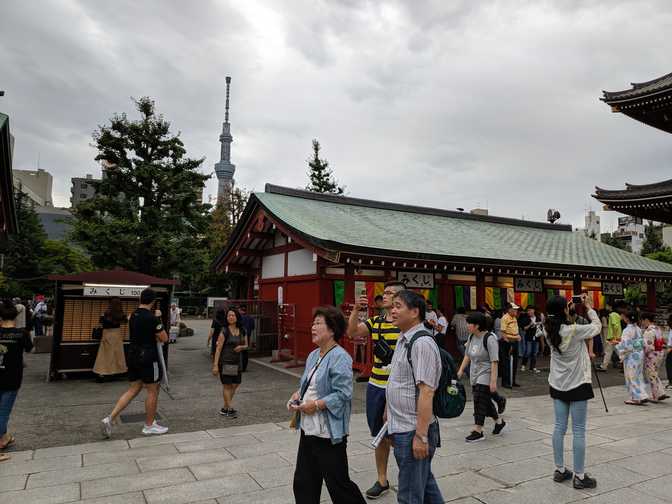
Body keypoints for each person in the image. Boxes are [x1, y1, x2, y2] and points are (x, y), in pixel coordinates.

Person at [289, 306, 365, 504]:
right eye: (313, 323)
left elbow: (343, 394)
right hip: (309, 428)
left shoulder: (340, 357)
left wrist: (316, 404)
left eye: (318, 323)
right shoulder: (314, 355)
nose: (313, 327)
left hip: (328, 433)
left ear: (332, 330)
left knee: (338, 484)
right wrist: (297, 396)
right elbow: (306, 385)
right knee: (304, 482)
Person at [347, 280, 405, 499]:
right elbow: (352, 332)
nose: (386, 296)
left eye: (391, 293)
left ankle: (406, 476)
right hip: (376, 384)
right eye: (386, 292)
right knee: (379, 434)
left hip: (398, 388)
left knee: (398, 434)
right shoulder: (376, 322)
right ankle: (382, 479)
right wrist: (356, 310)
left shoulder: (406, 325)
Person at [387, 290, 444, 504]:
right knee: (425, 486)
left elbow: (427, 391)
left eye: (398, 306)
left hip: (413, 430)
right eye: (392, 305)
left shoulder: (421, 343)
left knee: (409, 495)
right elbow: (399, 382)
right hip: (401, 425)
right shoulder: (404, 339)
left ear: (414, 312)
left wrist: (421, 437)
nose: (392, 310)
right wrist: (388, 413)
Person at [545, 294, 600, 490]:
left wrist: (565, 310)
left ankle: (559, 470)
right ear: (564, 310)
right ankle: (579, 475)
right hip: (577, 384)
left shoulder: (547, 328)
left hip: (557, 383)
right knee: (578, 430)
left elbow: (557, 320)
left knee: (559, 426)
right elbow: (597, 327)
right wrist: (589, 307)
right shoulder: (574, 330)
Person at [100, 288, 169, 437]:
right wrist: (159, 319)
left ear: (140, 299)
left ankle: (110, 418)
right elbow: (164, 338)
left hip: (133, 355)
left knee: (133, 389)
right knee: (152, 390)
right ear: (153, 301)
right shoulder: (152, 318)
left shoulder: (133, 315)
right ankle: (149, 425)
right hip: (148, 357)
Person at [457, 311, 506, 442]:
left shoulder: (490, 339)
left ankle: (478, 430)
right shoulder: (472, 337)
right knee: (484, 400)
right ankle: (499, 421)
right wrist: (460, 371)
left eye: (469, 323)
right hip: (474, 372)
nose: (467, 325)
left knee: (478, 399)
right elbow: (467, 355)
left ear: (477, 325)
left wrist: (493, 382)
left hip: (486, 372)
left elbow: (494, 361)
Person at [0, 299, 33, 462]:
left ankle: (4, 437)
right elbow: (29, 349)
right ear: (16, 315)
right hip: (12, 377)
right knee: (3, 412)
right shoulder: (22, 334)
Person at [212, 307, 248, 418]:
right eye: (229, 316)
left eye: (233, 315)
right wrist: (215, 365)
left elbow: (247, 345)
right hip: (226, 362)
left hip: (237, 363)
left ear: (237, 317)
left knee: (236, 384)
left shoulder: (242, 330)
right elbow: (218, 349)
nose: (230, 317)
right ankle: (230, 409)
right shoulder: (224, 331)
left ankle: (225, 407)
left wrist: (241, 347)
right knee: (227, 385)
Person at [616, 307, 649, 406]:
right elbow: (641, 342)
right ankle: (642, 394)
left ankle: (637, 397)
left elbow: (626, 345)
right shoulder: (638, 329)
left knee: (631, 376)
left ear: (627, 319)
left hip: (631, 355)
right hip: (639, 354)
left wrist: (618, 346)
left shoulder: (627, 330)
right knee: (638, 375)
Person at [93, 298, 128, 380]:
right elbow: (125, 321)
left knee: (104, 355)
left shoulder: (106, 314)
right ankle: (116, 371)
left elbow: (101, 323)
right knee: (117, 354)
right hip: (117, 334)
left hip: (107, 334)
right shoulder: (121, 314)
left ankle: (101, 373)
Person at [641, 312, 668, 402]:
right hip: (660, 353)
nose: (642, 323)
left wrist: (642, 353)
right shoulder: (657, 329)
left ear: (646, 320)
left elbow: (648, 346)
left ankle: (655, 395)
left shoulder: (648, 331)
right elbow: (663, 340)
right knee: (654, 373)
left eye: (643, 320)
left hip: (652, 355)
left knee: (651, 375)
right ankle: (660, 393)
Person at [500, 303, 521, 388]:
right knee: (506, 363)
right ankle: (505, 382)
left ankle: (512, 381)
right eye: (514, 309)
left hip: (515, 342)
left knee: (515, 362)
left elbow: (515, 330)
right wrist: (508, 342)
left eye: (516, 309)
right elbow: (503, 333)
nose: (516, 311)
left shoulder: (514, 318)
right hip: (508, 343)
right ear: (509, 309)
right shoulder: (505, 318)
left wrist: (518, 336)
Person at [596, 303, 623, 372]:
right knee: (617, 351)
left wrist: (614, 337)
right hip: (616, 336)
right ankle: (604, 365)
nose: (606, 307)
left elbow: (615, 326)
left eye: (607, 305)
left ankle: (604, 366)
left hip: (612, 337)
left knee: (609, 351)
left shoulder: (612, 315)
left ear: (610, 307)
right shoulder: (617, 315)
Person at [520, 306, 541, 374]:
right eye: (528, 311)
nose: (529, 312)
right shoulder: (526, 319)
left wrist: (539, 324)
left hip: (536, 337)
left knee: (534, 353)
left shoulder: (538, 318)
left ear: (534, 310)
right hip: (529, 337)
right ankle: (523, 365)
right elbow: (524, 328)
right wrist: (530, 325)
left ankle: (532, 367)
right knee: (528, 352)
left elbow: (541, 326)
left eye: (530, 310)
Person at [238, 305, 255, 372]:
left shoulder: (239, 318)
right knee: (245, 352)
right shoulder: (251, 318)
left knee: (239, 351)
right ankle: (244, 367)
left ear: (241, 310)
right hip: (248, 336)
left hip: (239, 336)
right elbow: (253, 327)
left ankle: (239, 367)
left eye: (239, 310)